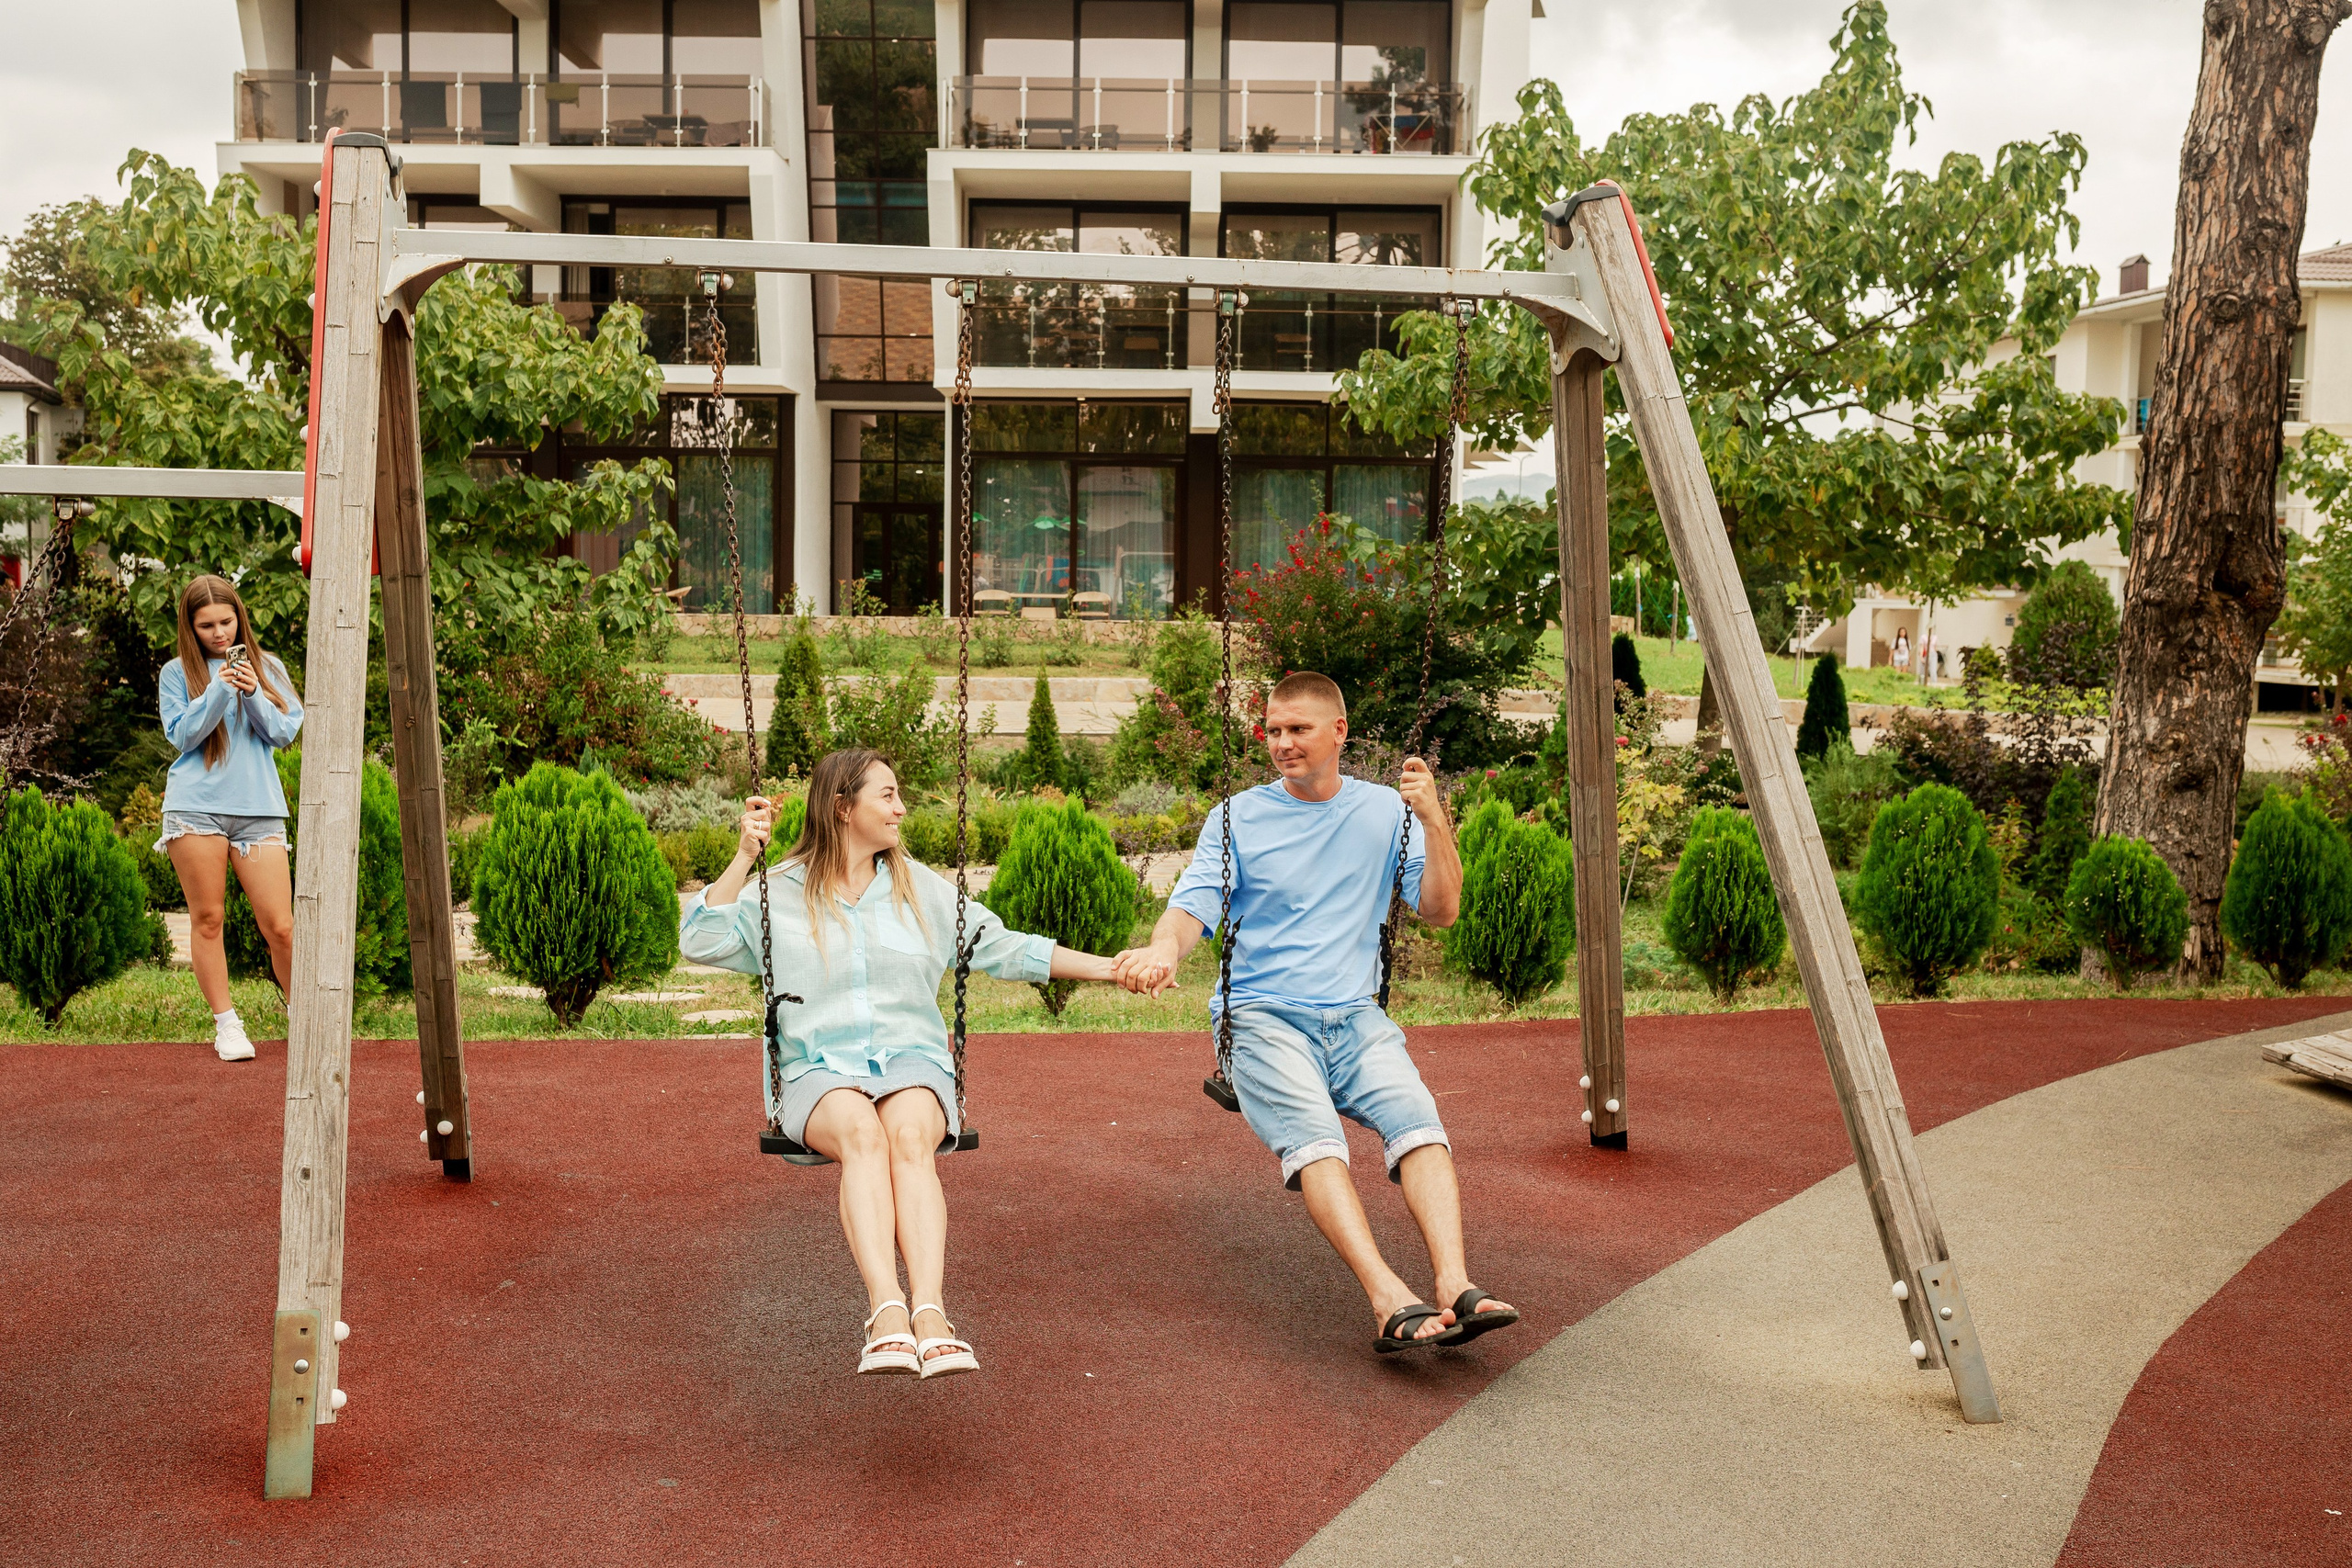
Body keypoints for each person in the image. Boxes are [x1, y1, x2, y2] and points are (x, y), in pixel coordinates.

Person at [681, 747, 1130, 1380]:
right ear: (843, 806)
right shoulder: (776, 893)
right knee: (863, 1135)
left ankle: (931, 1313)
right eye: (887, 795)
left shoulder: (921, 890)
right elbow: (699, 940)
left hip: (910, 1060)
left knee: (911, 1138)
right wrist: (744, 857)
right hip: (815, 1069)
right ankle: (886, 1312)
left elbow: (1006, 948)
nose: (901, 808)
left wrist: (1112, 968)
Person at [1114, 672, 1520, 1355]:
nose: (1282, 743)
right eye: (1273, 730)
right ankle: (1387, 1296)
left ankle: (1455, 1282)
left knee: (1419, 1123)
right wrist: (1162, 950)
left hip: (1355, 1017)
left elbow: (1441, 909)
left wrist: (1434, 820)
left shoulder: (1386, 812)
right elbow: (1192, 907)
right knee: (1318, 1139)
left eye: (1298, 729)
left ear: (1338, 732)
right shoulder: (1237, 816)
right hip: (1261, 1015)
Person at [156, 575, 303, 1063]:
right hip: (195, 807)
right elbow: (184, 737)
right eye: (207, 626)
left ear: (240, 617)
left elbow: (284, 732)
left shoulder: (269, 666)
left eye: (226, 621)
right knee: (208, 918)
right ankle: (228, 1026)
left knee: (281, 925)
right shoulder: (175, 673)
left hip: (258, 808)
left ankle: (305, 1017)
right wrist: (219, 691)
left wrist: (253, 691)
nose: (220, 634)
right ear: (190, 627)